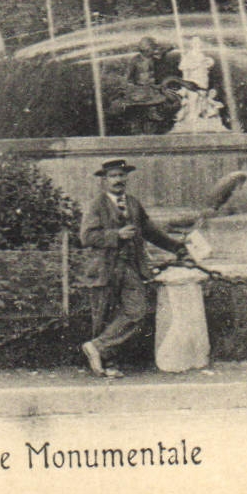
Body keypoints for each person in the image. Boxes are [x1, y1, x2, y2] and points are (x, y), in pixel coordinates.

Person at [79, 157, 188, 378]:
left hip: (129, 267)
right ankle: (107, 364)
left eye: (122, 175)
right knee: (104, 315)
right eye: (113, 176)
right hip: (104, 268)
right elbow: (86, 236)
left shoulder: (133, 204)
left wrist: (177, 247)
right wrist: (115, 235)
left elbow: (151, 231)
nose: (119, 180)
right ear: (104, 181)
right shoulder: (96, 205)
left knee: (137, 310)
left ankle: (98, 347)